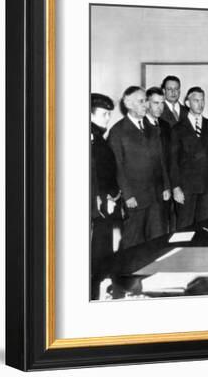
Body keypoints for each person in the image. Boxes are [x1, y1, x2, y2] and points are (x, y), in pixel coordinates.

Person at [108, 86, 170, 248]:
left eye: (146, 101)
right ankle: (128, 273)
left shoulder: (152, 128)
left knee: (157, 240)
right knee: (132, 241)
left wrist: (166, 186)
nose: (146, 105)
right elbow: (117, 167)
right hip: (135, 198)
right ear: (128, 104)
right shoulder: (117, 131)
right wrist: (128, 196)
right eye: (141, 101)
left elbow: (161, 160)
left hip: (156, 196)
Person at [170, 87, 208, 228]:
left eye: (202, 100)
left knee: (206, 228)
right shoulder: (177, 128)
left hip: (207, 186)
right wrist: (175, 188)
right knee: (184, 227)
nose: (200, 104)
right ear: (187, 103)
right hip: (186, 188)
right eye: (196, 100)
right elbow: (173, 161)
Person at [90, 93, 120, 299]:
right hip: (98, 206)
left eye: (109, 114)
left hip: (106, 203)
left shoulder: (99, 136)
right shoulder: (91, 138)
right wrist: (103, 198)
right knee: (97, 254)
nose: (108, 118)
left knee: (103, 251)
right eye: (104, 114)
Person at [144, 87, 173, 232]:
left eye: (162, 103)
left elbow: (168, 159)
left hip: (165, 188)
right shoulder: (140, 126)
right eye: (156, 103)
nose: (160, 107)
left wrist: (168, 186)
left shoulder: (166, 126)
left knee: (162, 229)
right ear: (147, 103)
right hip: (147, 191)